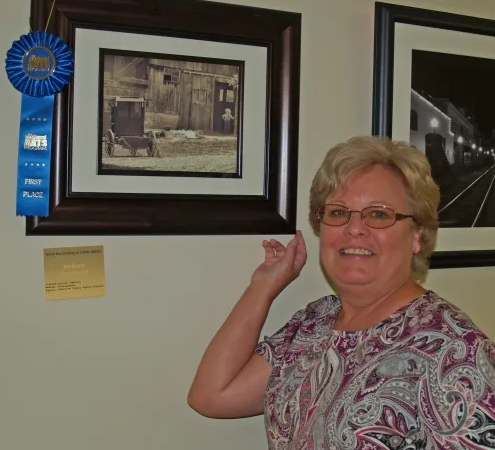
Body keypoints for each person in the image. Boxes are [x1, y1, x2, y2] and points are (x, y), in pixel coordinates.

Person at [187, 136, 495, 449]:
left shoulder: (456, 352)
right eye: (338, 213)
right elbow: (211, 396)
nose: (354, 228)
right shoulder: (314, 322)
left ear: (417, 235)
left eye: (378, 214)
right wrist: (262, 287)